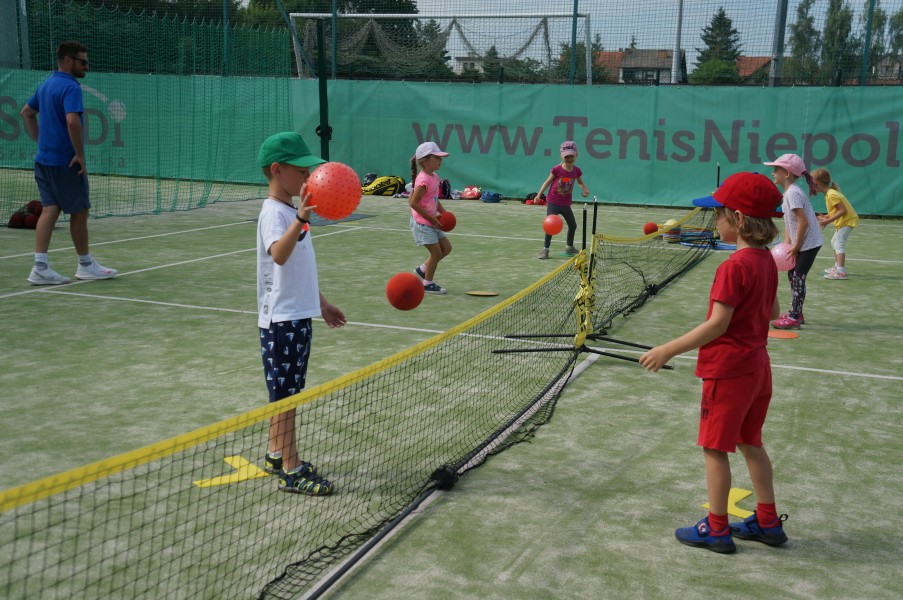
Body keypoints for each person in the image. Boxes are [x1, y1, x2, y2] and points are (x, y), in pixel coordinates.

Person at [638, 172, 789, 554]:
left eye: (719, 214)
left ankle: (717, 529)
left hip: (729, 371)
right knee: (750, 442)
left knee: (714, 448)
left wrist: (667, 349)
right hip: (758, 368)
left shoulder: (733, 267)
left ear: (738, 219)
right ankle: (768, 522)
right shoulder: (766, 261)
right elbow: (773, 311)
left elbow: (717, 324)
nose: (715, 220)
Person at [257, 131, 346, 495]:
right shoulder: (274, 213)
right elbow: (279, 255)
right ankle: (292, 470)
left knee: (287, 391)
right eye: (301, 172)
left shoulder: (290, 213)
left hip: (297, 315)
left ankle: (276, 453)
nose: (309, 178)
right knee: (287, 397)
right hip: (282, 321)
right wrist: (301, 218)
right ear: (277, 170)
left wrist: (320, 303)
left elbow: (298, 269)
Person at [19, 40, 117, 285]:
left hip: (44, 161)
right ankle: (85, 265)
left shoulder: (47, 84)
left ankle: (40, 267)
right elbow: (72, 121)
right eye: (83, 62)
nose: (87, 66)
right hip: (66, 162)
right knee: (80, 211)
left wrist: (42, 142)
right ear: (67, 60)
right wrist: (80, 155)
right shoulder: (71, 87)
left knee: (50, 209)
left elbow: (26, 113)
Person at [764, 153, 822, 329]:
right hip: (802, 243)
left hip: (809, 243)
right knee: (792, 275)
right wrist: (787, 244)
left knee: (798, 277)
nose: (773, 173)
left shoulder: (793, 193)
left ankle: (795, 317)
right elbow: (790, 223)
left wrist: (796, 246)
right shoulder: (788, 193)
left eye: (776, 169)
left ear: (787, 174)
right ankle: (797, 312)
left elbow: (803, 221)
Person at [409, 141, 452, 294]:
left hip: (432, 221)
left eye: (440, 157)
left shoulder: (434, 177)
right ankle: (427, 283)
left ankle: (422, 270)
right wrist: (431, 218)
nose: (441, 160)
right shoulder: (423, 180)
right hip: (422, 224)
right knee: (436, 253)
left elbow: (434, 199)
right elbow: (413, 203)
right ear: (425, 161)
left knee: (447, 248)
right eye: (437, 157)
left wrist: (444, 213)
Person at [535, 141, 589, 259]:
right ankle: (545, 249)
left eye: (571, 156)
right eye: (566, 156)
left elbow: (580, 182)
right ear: (562, 156)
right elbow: (547, 182)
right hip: (553, 202)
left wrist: (585, 189)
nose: (569, 159)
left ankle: (569, 246)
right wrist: (539, 195)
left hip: (565, 204)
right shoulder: (557, 169)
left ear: (576, 155)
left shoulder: (576, 170)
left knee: (573, 225)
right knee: (550, 225)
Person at [813, 168, 858, 280]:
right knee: (834, 242)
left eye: (811, 183)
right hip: (845, 220)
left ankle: (841, 272)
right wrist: (826, 216)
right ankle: (837, 266)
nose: (810, 186)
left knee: (838, 244)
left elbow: (843, 211)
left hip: (847, 221)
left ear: (817, 183)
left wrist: (827, 221)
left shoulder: (831, 195)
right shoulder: (830, 194)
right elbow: (836, 211)